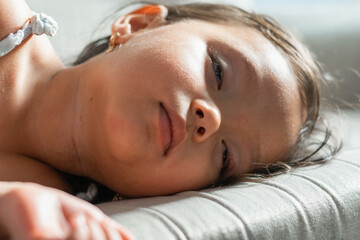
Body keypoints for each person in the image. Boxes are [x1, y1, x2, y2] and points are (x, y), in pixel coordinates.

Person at [0, 0, 340, 239]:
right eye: (218, 71)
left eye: (225, 156)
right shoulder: (8, 21)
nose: (212, 120)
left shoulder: (46, 208)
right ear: (139, 25)